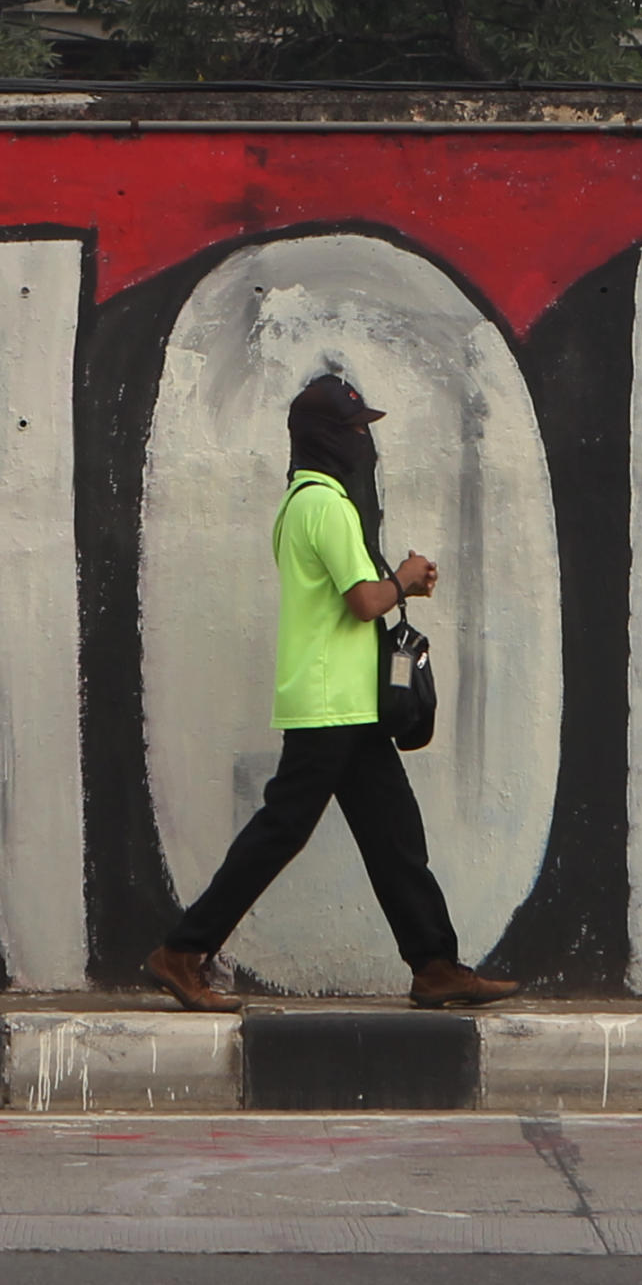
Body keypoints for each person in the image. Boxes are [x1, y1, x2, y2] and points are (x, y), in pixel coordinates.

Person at [142, 371, 520, 1012]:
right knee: (281, 831)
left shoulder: (299, 503)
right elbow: (364, 601)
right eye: (352, 430)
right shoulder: (327, 506)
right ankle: (182, 951)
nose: (362, 442)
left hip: (349, 705)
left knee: (394, 836)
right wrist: (405, 578)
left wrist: (400, 585)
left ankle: (435, 966)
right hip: (330, 706)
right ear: (324, 437)